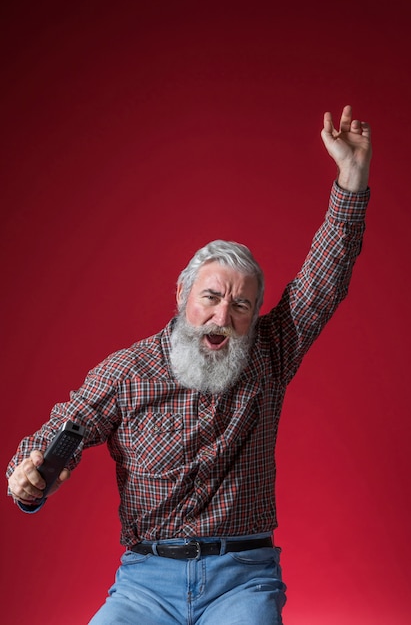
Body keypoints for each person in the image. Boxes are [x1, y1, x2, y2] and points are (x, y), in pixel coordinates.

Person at [6, 105, 372, 625]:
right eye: (211, 297)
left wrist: (351, 178)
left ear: (254, 314)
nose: (222, 314)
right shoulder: (127, 372)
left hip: (243, 577)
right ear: (182, 295)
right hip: (144, 585)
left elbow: (325, 278)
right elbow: (64, 428)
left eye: (241, 305)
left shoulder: (270, 353)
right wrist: (28, 474)